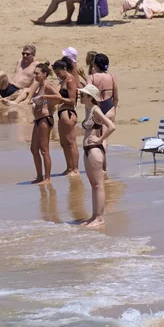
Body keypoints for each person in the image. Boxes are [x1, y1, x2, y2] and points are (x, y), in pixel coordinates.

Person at [78, 84, 115, 227]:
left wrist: (100, 139)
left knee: (98, 184)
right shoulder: (88, 109)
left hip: (95, 149)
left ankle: (100, 218)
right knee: (93, 185)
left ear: (89, 97)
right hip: (88, 149)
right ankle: (94, 215)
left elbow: (111, 126)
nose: (80, 96)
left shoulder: (95, 109)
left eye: (83, 95)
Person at [30, 62, 61, 184]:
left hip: (45, 119)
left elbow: (58, 97)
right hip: (38, 119)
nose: (35, 76)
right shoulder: (39, 87)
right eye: (34, 73)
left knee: (44, 149)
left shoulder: (48, 86)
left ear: (44, 74)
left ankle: (47, 178)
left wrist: (46, 101)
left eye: (37, 73)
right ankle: (39, 176)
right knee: (33, 148)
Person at [87, 53, 118, 170]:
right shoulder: (112, 77)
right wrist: (115, 108)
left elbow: (88, 93)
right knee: (105, 139)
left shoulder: (92, 77)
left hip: (97, 107)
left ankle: (100, 166)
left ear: (95, 64)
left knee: (96, 137)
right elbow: (116, 96)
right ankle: (104, 168)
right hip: (109, 106)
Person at [52, 60, 79, 176]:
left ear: (64, 69)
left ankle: (75, 169)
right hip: (62, 113)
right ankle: (69, 168)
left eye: (58, 73)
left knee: (71, 142)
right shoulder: (63, 81)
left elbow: (72, 101)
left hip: (68, 112)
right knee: (63, 142)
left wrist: (58, 98)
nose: (57, 75)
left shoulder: (70, 80)